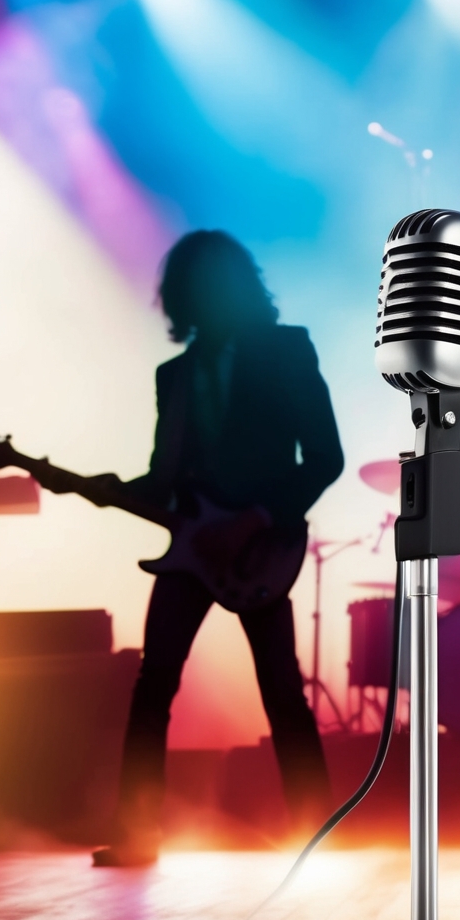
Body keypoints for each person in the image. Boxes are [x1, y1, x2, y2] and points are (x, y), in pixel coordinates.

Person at [92, 230, 343, 867]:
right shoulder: (172, 377)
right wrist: (109, 491)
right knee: (155, 684)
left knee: (282, 690)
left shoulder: (287, 349)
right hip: (191, 549)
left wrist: (256, 517)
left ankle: (315, 832)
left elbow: (325, 458)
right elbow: (164, 476)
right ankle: (136, 831)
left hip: (262, 547)